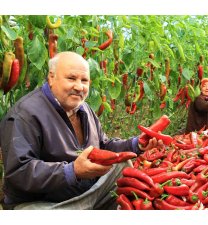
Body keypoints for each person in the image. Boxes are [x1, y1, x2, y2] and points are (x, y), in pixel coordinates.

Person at [0, 51, 159, 210]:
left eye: (84, 80)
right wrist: (72, 171)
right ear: (51, 77)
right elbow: (19, 172)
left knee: (122, 165)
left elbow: (102, 146)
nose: (79, 87)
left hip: (85, 195)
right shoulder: (25, 114)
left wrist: (136, 144)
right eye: (71, 78)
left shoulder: (83, 108)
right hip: (43, 203)